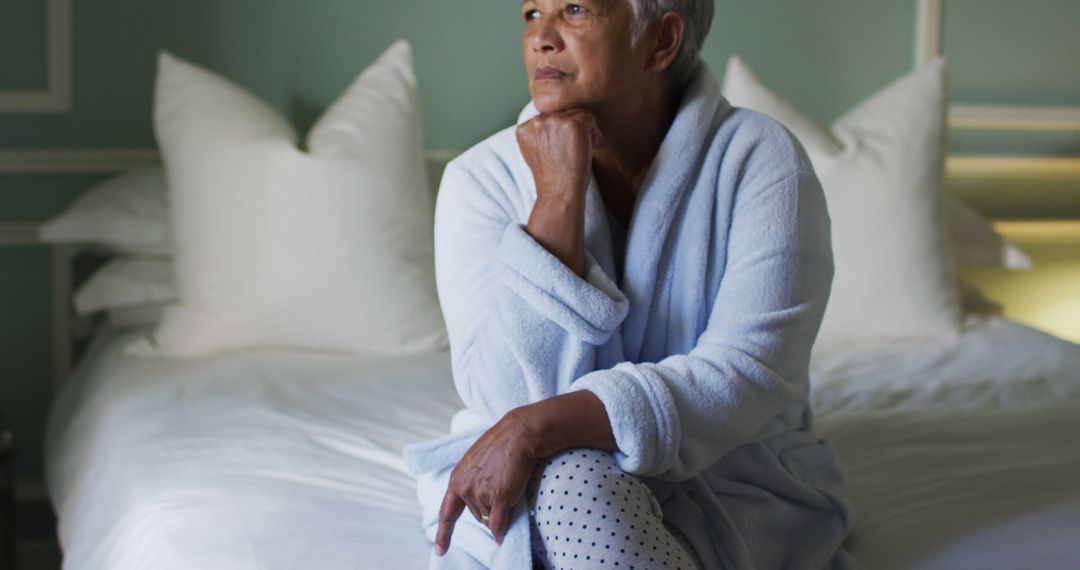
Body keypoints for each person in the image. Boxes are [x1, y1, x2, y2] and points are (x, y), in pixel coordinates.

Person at [404, 0, 860, 568]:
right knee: (568, 479)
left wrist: (538, 426)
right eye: (530, 13)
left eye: (573, 9)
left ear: (662, 41)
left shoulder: (761, 161)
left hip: (729, 473)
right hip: (540, 478)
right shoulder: (480, 180)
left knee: (568, 481)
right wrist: (556, 201)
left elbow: (749, 372)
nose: (541, 38)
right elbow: (505, 398)